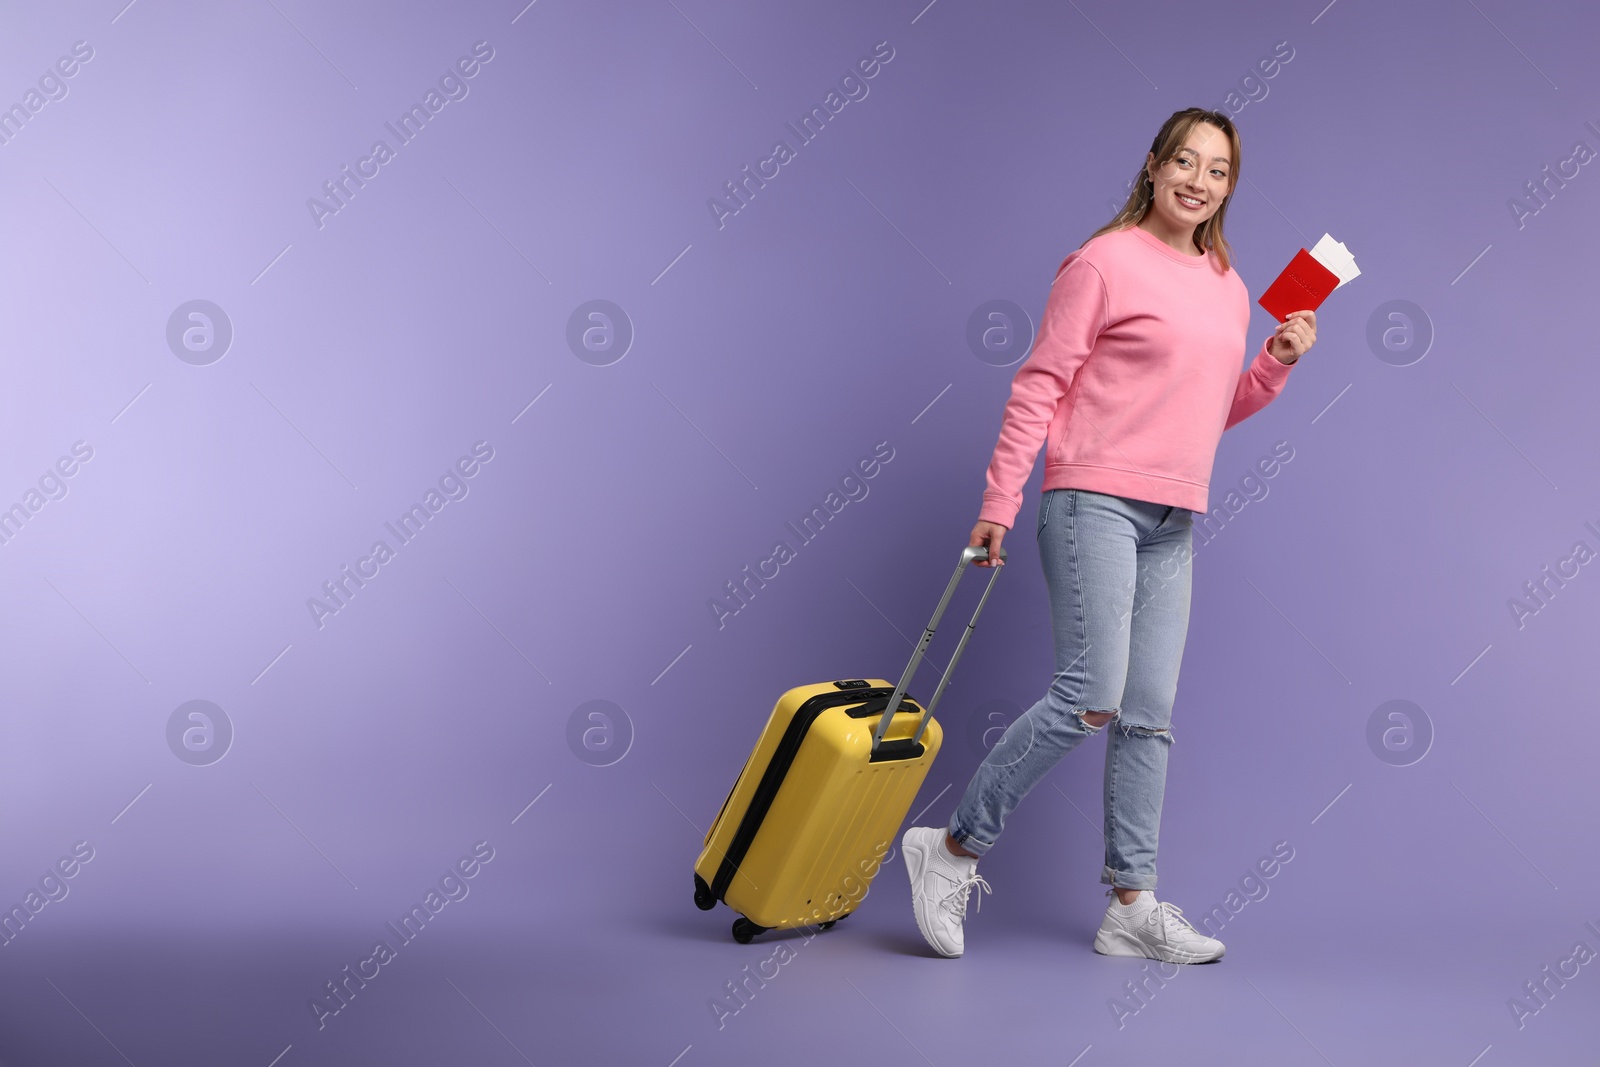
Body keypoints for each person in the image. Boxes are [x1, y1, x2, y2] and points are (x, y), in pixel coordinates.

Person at [901, 107, 1317, 963]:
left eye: (1218, 170)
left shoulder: (1230, 286)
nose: (1198, 182)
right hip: (1091, 500)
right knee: (1091, 696)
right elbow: (1040, 385)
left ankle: (1131, 903)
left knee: (1149, 717)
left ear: (1230, 186)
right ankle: (949, 848)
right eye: (1185, 162)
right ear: (1155, 165)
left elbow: (1208, 411)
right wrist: (1000, 500)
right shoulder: (1104, 262)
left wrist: (1273, 362)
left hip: (1174, 517)